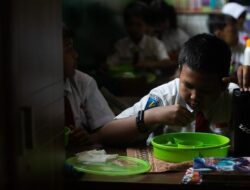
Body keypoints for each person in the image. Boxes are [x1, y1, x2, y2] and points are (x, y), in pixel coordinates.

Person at [91, 33, 250, 146]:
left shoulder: (237, 98)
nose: (194, 96)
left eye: (205, 91)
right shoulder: (165, 96)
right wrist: (152, 116)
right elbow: (104, 134)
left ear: (223, 84)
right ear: (180, 71)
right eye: (188, 85)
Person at [63, 24, 115, 146]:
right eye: (68, 49)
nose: (76, 55)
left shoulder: (83, 82)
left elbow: (108, 129)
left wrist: (89, 137)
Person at [107, 1, 176, 75]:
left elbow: (167, 63)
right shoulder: (120, 45)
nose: (134, 28)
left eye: (139, 25)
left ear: (146, 26)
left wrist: (151, 63)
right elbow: (111, 63)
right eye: (130, 24)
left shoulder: (155, 44)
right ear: (125, 25)